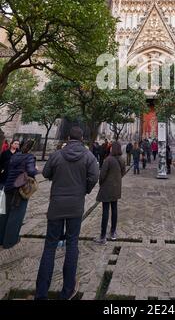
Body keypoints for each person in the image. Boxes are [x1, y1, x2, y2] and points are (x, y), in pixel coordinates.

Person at [35, 126, 99, 300]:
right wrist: (84, 189)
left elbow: (46, 173)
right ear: (82, 138)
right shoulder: (88, 156)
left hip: (56, 204)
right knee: (72, 244)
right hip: (75, 206)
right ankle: (67, 290)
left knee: (49, 247)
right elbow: (94, 176)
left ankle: (41, 294)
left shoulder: (57, 155)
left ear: (68, 137)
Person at [0, 139, 38, 249]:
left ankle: (1, 239)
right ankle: (10, 241)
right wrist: (37, 170)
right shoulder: (29, 157)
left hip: (8, 186)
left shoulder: (15, 156)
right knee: (16, 216)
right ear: (31, 148)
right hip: (20, 188)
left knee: (4, 215)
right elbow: (31, 171)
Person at [94, 141, 125, 245]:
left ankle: (103, 236)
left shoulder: (108, 160)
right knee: (114, 210)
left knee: (105, 212)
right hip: (116, 188)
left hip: (107, 188)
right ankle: (113, 233)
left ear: (113, 149)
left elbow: (102, 175)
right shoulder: (122, 159)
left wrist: (101, 183)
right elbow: (123, 172)